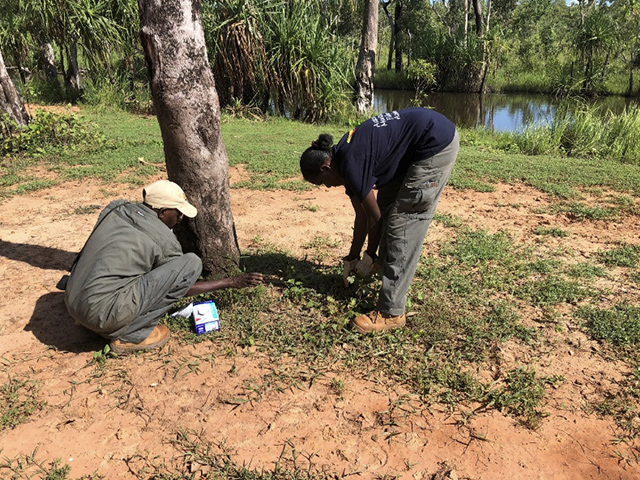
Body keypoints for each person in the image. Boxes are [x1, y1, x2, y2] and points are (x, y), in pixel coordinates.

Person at [300, 107, 459, 334]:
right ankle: (385, 264)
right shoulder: (344, 157)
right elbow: (362, 214)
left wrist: (369, 255)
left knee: (402, 221)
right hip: (416, 144)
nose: (327, 187)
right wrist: (352, 258)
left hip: (434, 144)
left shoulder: (352, 163)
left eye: (323, 183)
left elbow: (373, 219)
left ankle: (391, 312)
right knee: (385, 202)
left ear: (326, 168)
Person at [63, 180, 262, 354]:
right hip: (102, 315)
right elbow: (177, 288)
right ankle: (130, 335)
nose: (181, 218)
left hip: (72, 300)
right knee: (191, 263)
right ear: (163, 212)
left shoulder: (115, 209)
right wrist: (231, 281)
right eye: (178, 212)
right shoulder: (165, 240)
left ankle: (89, 318)